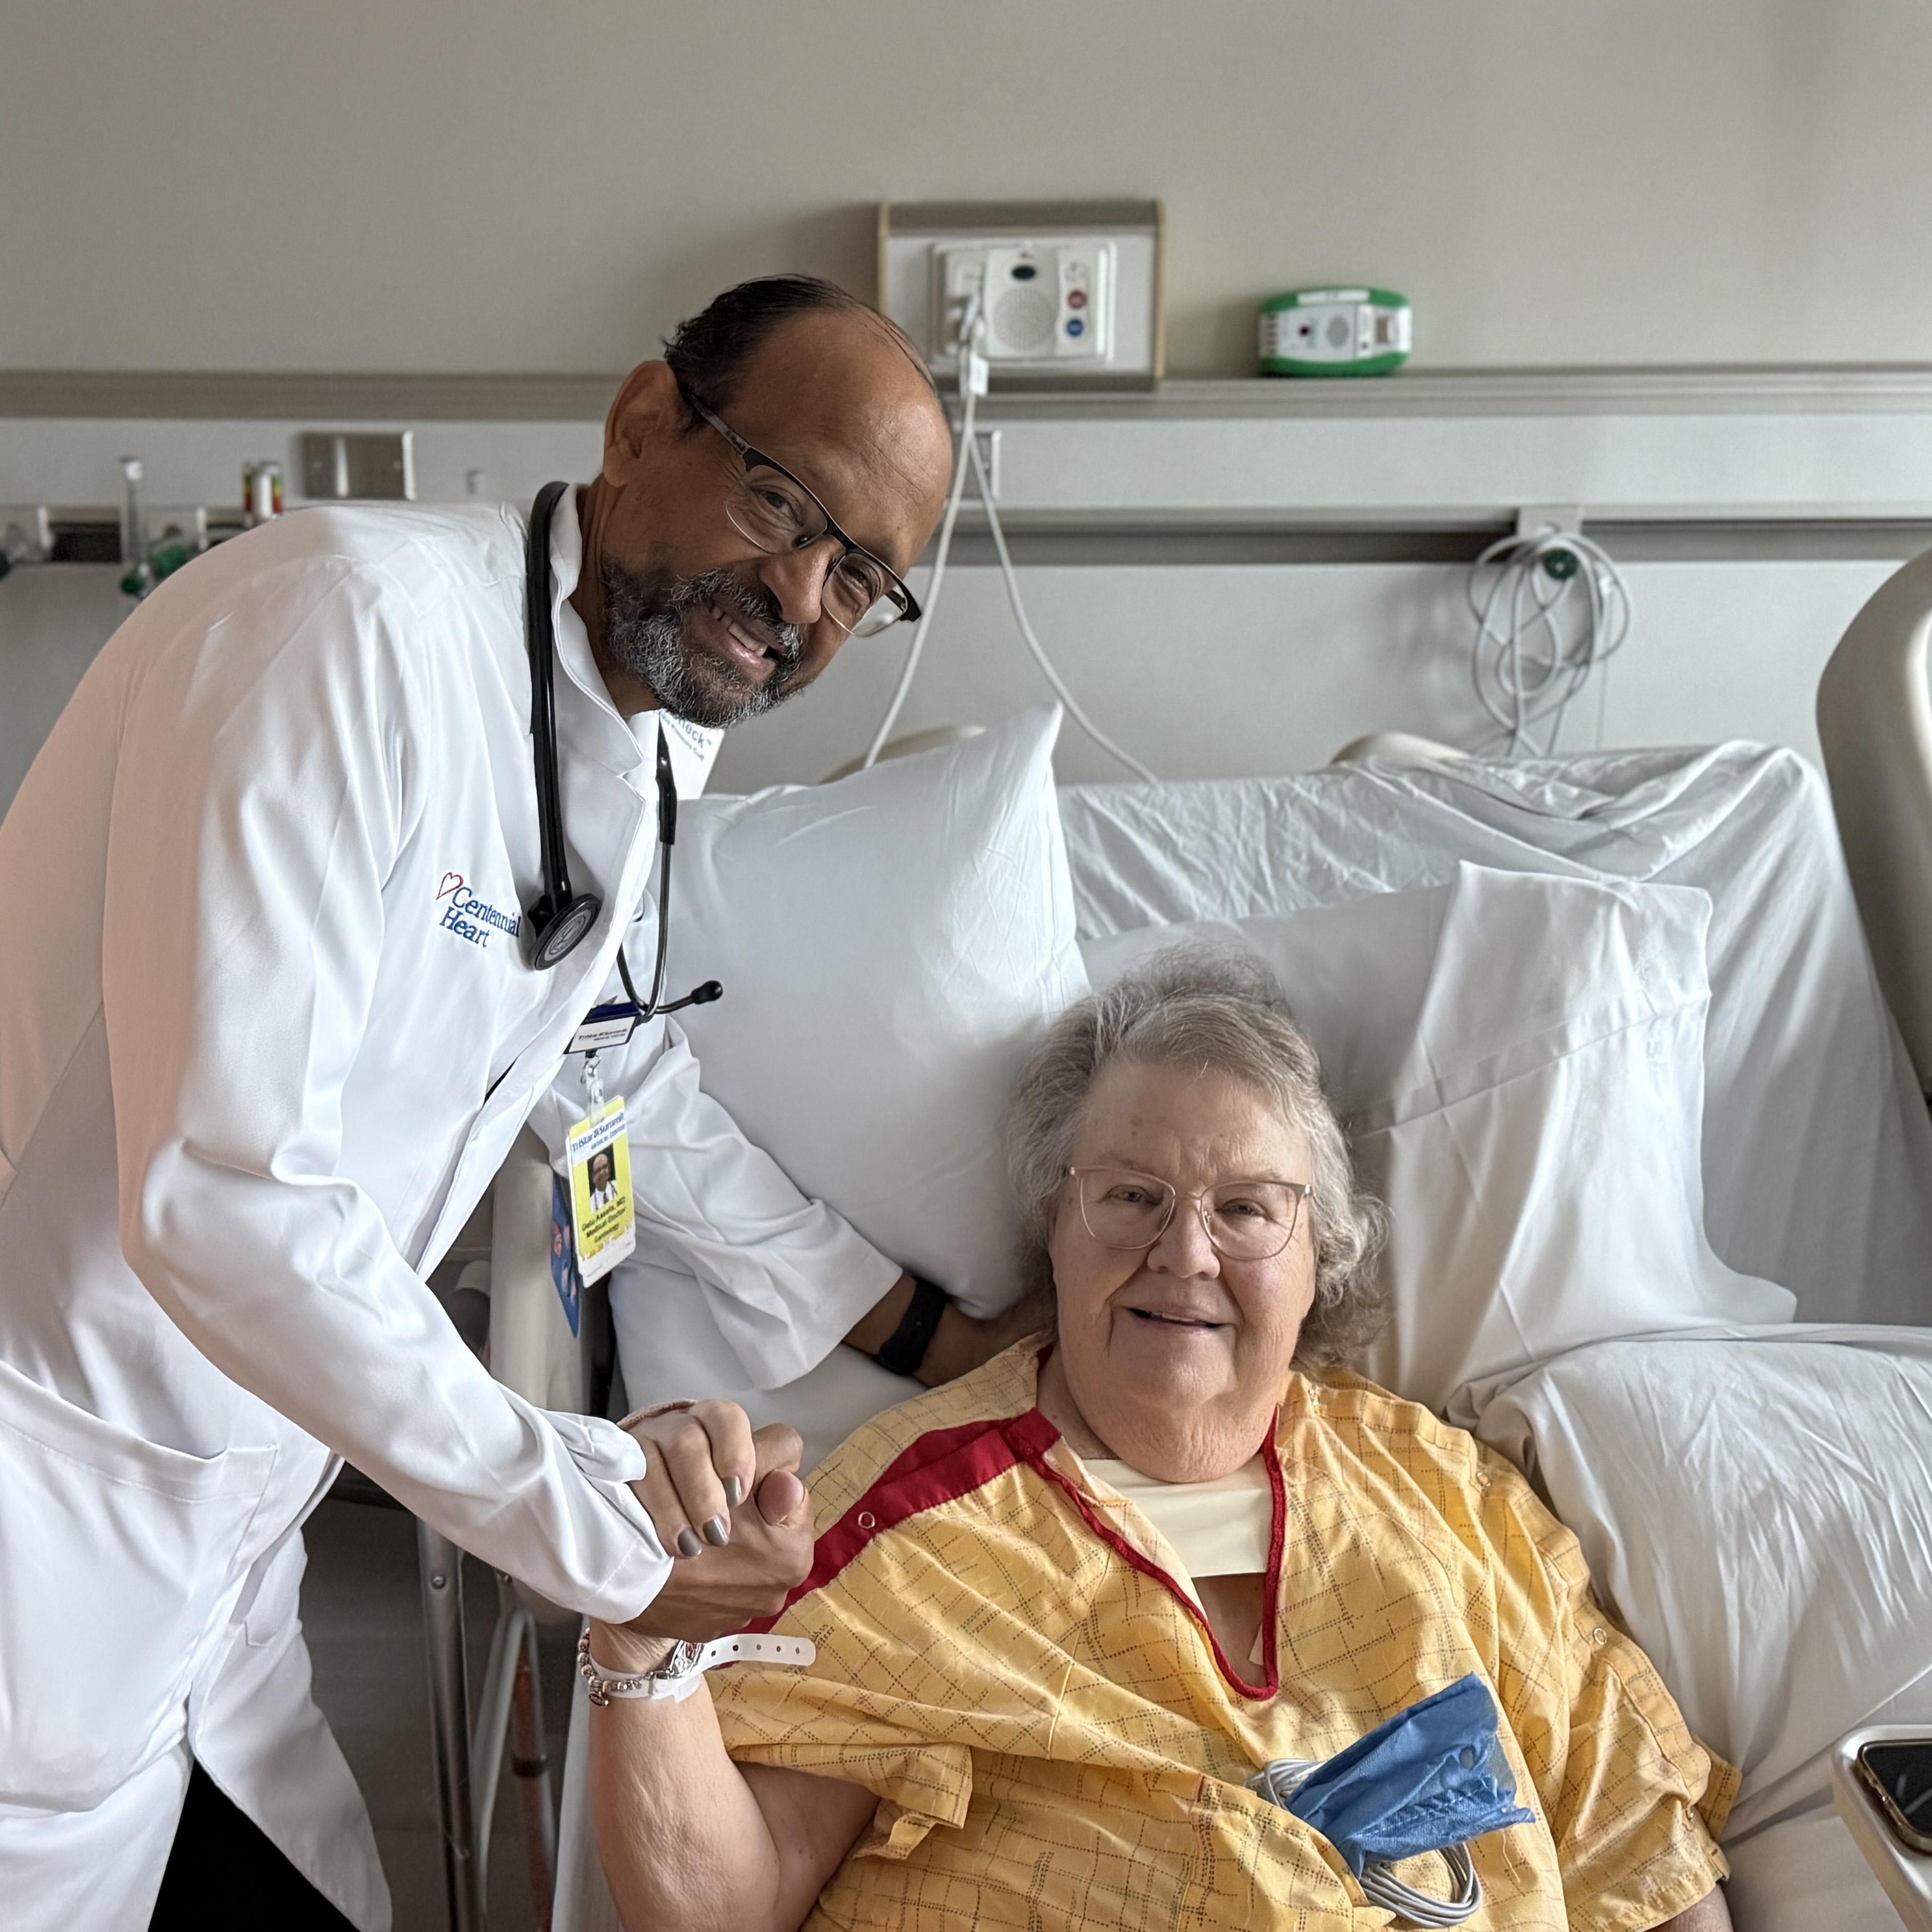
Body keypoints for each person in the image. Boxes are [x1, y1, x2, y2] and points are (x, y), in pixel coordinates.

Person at [0, 275, 1024, 1930]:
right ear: (637, 425)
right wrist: (595, 1522)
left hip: (209, 1579)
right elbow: (225, 1191)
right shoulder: (339, 638)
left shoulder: (644, 729)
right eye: (782, 499)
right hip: (42, 1513)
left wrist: (919, 1331)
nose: (802, 595)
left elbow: (608, 1061)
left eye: (865, 576)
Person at [583, 951, 1736, 1930]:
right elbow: (721, 1903)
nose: (1185, 1252)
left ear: (1317, 1252)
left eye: (1244, 1208)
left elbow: (1645, 1856)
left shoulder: (1439, 1491)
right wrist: (638, 1637)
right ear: (1054, 1227)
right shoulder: (904, 1522)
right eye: (1131, 1196)